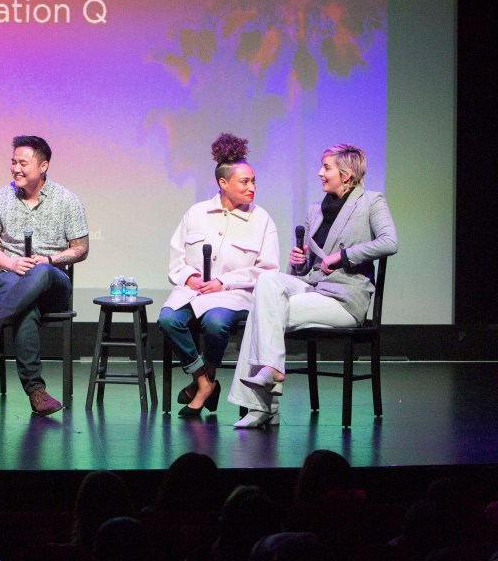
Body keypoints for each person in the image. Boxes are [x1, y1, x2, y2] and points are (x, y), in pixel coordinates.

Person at [229, 144, 398, 428]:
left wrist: (343, 255)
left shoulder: (371, 201)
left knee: (264, 313)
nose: (320, 173)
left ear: (346, 175)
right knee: (268, 281)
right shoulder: (315, 211)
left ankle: (262, 407)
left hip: (344, 299)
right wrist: (298, 262)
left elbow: (389, 242)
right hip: (313, 289)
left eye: (327, 168)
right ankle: (271, 371)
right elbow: (306, 269)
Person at [0, 136, 89, 416]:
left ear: (43, 166)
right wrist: (11, 262)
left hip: (53, 282)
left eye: (23, 163)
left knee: (41, 271)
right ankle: (36, 391)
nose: (16, 168)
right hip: (11, 275)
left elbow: (81, 249)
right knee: (24, 308)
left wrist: (50, 259)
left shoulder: (66, 200)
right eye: (13, 162)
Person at [158, 134, 279, 417]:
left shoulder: (261, 219)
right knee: (168, 319)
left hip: (234, 295)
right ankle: (203, 382)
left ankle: (203, 383)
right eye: (245, 182)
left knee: (215, 323)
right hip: (195, 291)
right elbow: (176, 257)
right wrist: (190, 278)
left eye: (253, 181)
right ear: (223, 183)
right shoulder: (197, 213)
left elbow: (268, 269)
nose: (252, 188)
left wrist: (225, 282)